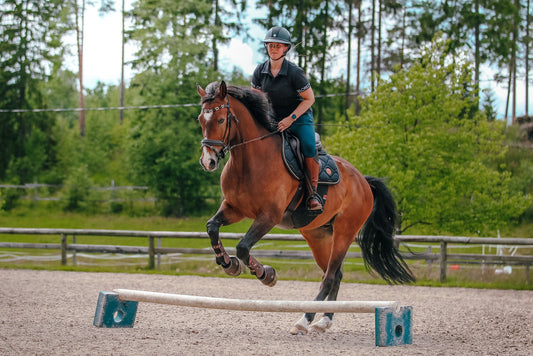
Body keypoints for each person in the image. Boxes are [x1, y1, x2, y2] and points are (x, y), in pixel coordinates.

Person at [251, 26, 322, 212]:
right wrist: (265, 119)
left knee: (308, 145)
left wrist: (290, 119)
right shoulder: (259, 71)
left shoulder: (294, 73)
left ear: (285, 49)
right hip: (272, 118)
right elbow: (257, 100)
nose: (273, 49)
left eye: (278, 46)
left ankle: (313, 193)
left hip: (298, 117)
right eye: (270, 45)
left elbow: (310, 99)